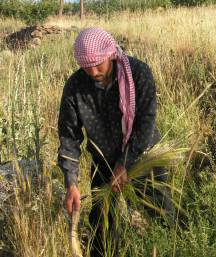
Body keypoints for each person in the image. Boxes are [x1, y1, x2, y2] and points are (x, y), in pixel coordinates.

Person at [57, 28, 172, 257]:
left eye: (98, 63)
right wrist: (71, 182)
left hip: (144, 156)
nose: (93, 71)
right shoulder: (75, 86)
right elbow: (69, 136)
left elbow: (145, 123)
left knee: (160, 215)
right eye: (86, 66)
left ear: (110, 53)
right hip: (104, 161)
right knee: (102, 226)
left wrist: (125, 164)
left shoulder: (138, 73)